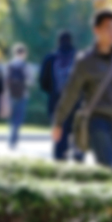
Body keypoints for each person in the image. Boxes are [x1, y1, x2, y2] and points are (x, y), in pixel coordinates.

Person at [52, 10, 112, 168]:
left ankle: (97, 191)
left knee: (107, 168)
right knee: (108, 165)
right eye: (108, 28)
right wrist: (58, 121)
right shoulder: (85, 61)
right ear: (96, 30)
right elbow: (71, 93)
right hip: (97, 119)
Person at [40, 31, 83, 161]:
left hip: (56, 101)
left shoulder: (50, 58)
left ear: (58, 41)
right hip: (77, 102)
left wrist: (53, 91)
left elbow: (43, 82)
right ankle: (78, 154)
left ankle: (60, 157)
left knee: (59, 129)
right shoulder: (80, 58)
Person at [7, 43, 32, 148]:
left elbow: (5, 80)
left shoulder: (10, 65)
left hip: (11, 94)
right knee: (19, 118)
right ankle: (14, 139)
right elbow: (30, 81)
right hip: (23, 94)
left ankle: (11, 139)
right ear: (23, 53)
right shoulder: (25, 65)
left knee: (12, 118)